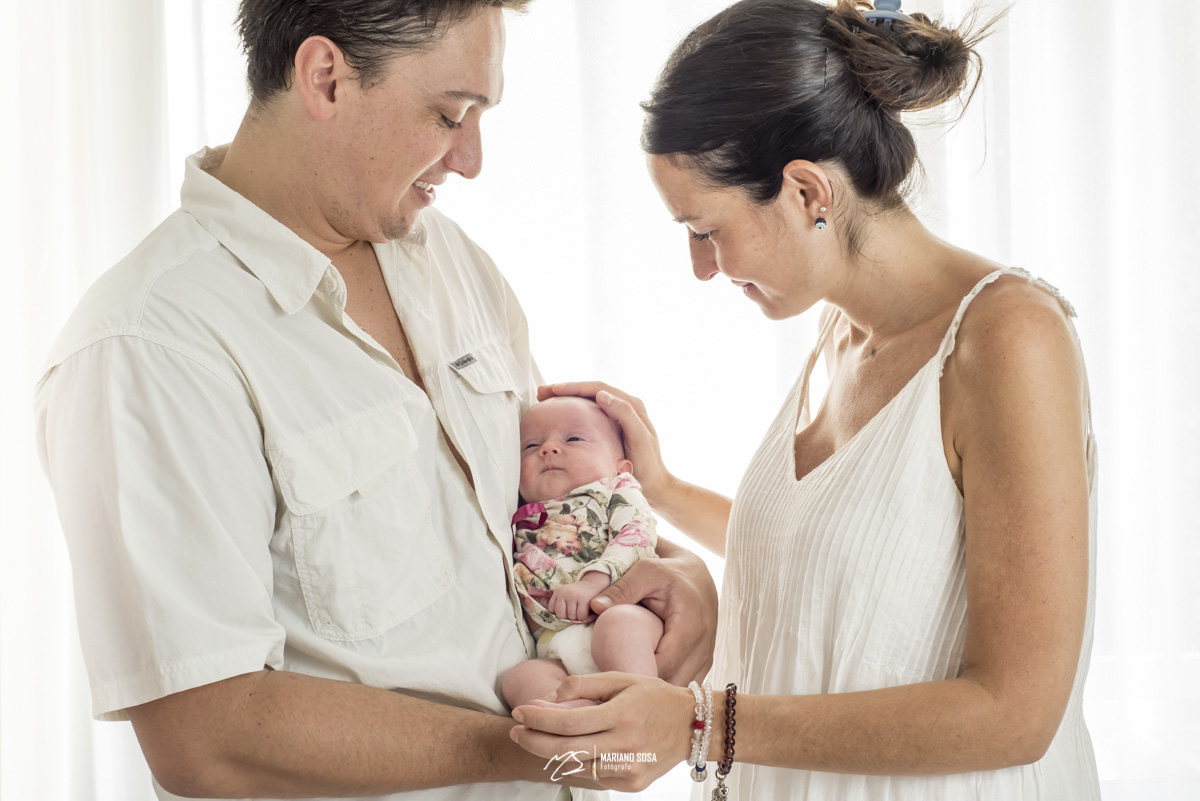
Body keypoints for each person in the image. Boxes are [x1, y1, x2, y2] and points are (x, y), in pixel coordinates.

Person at [32, 2, 717, 799]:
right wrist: (540, 745)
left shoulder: (451, 261)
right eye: (449, 114)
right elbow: (207, 736)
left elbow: (536, 510)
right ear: (325, 78)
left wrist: (675, 570)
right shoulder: (149, 347)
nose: (470, 159)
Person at [509, 1, 1101, 799]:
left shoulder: (1008, 338)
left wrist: (697, 723)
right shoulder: (839, 334)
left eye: (705, 228)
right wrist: (660, 490)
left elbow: (1017, 711)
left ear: (808, 191)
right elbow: (853, 563)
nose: (702, 267)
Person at [503, 397, 664, 708]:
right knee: (520, 679)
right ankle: (578, 716)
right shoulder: (521, 516)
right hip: (556, 647)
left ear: (622, 467)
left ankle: (641, 707)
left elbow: (637, 536)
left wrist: (591, 583)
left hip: (623, 615)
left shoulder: (615, 491)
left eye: (573, 438)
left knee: (617, 627)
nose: (548, 449)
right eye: (530, 446)